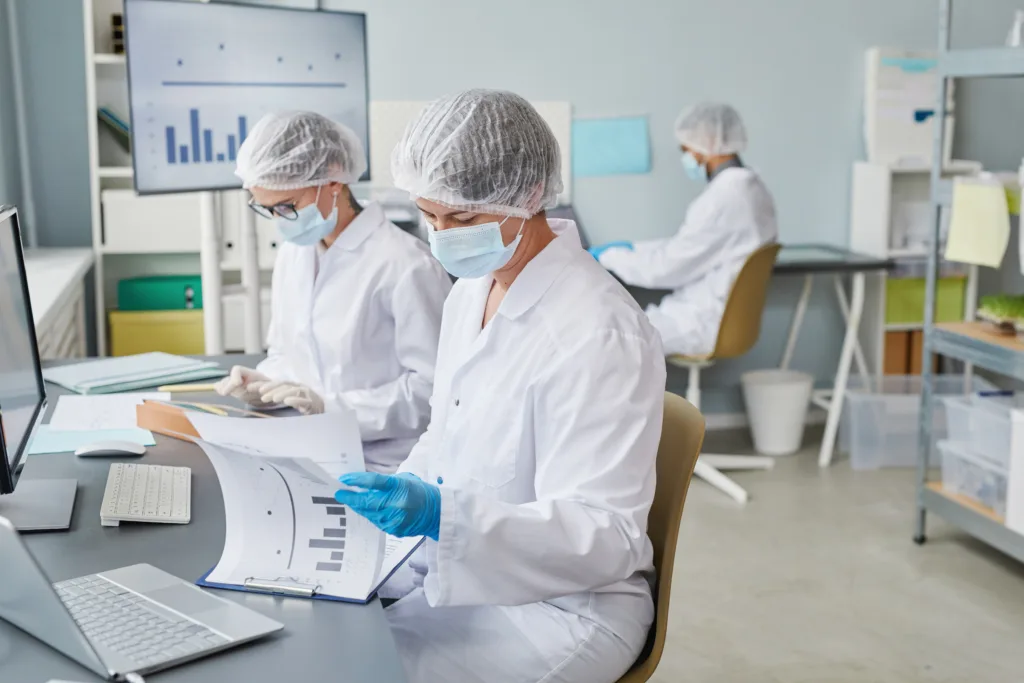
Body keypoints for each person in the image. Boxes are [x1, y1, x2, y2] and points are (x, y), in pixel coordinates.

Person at [332, 90, 666, 683]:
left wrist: (443, 516)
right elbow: (447, 427)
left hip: (564, 611)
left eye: (460, 218)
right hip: (466, 577)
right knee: (323, 639)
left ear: (529, 194)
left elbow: (607, 537)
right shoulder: (472, 290)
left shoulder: (599, 330)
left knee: (357, 669)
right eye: (428, 216)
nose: (441, 236)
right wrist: (409, 485)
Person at [216, 111, 452, 472]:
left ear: (334, 178)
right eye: (268, 209)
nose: (280, 221)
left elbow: (435, 393)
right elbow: (287, 351)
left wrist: (330, 407)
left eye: (287, 207)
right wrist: (265, 386)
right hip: (309, 450)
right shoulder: (295, 255)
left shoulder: (406, 266)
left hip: (386, 465)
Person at [588, 103, 778, 356]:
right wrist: (635, 248)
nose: (687, 157)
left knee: (606, 342)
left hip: (701, 320)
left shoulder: (724, 198)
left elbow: (667, 269)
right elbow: (694, 246)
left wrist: (610, 257)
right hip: (712, 311)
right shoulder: (752, 189)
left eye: (687, 149)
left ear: (709, 141)